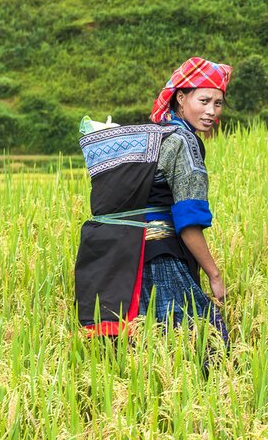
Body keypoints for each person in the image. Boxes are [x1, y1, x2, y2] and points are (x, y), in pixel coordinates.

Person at [75, 57, 231, 353]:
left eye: (218, 103)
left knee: (137, 356)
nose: (211, 111)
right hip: (160, 262)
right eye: (204, 100)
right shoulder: (183, 142)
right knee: (204, 348)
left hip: (120, 263)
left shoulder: (158, 137)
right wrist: (214, 275)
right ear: (181, 98)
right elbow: (188, 219)